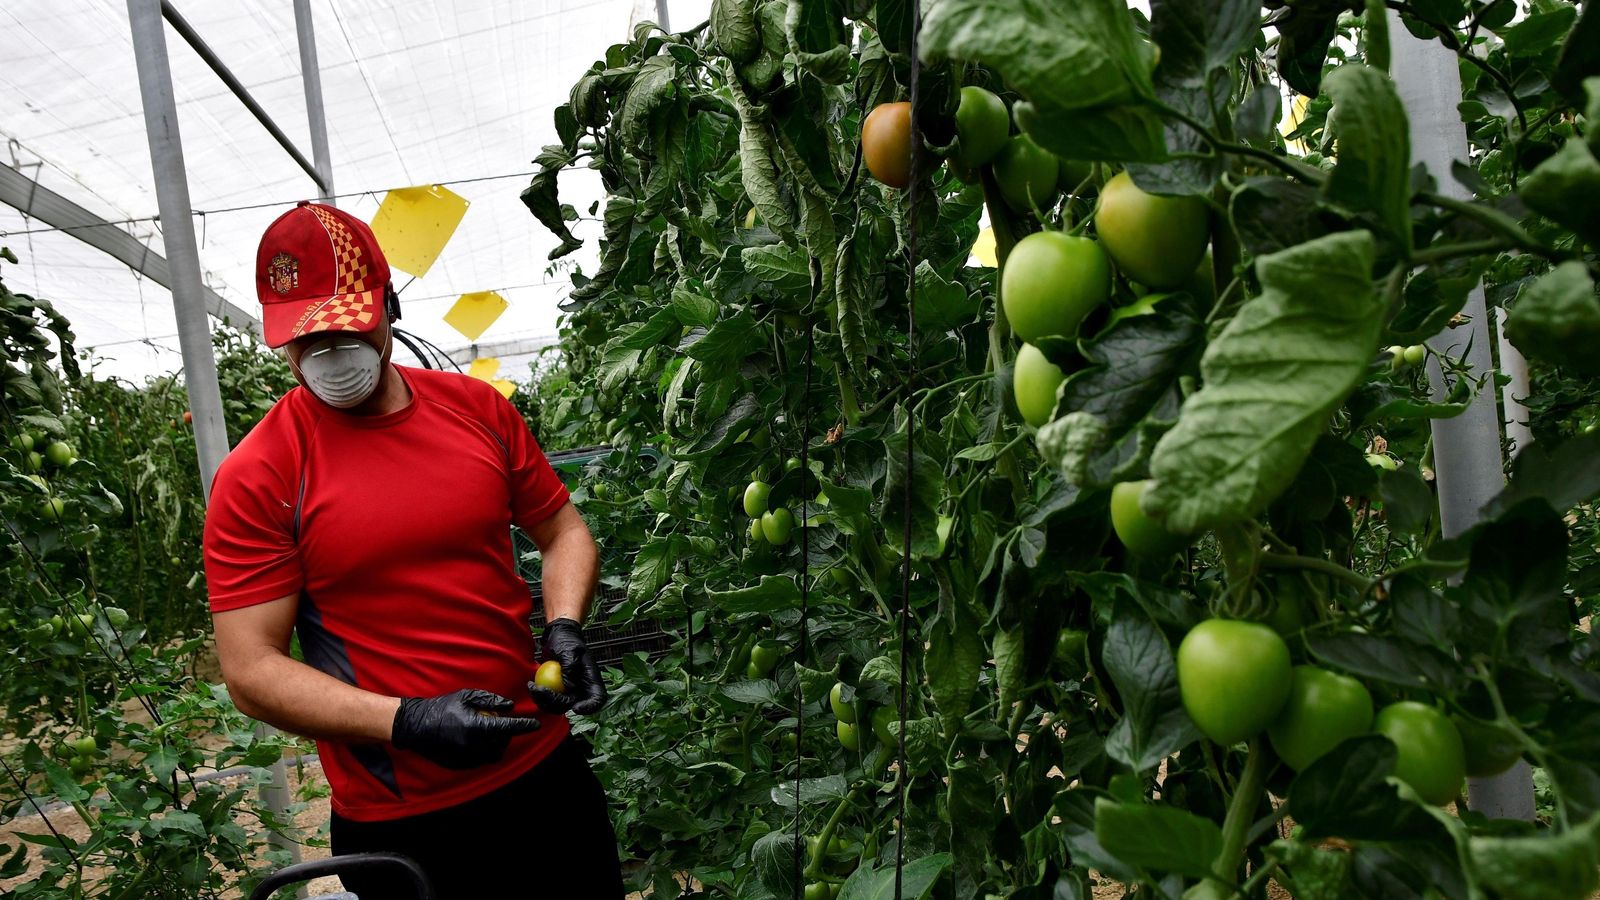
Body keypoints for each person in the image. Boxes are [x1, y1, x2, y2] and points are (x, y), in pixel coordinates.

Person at [202, 201, 624, 898]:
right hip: (406, 822)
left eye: (348, 326)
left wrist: (565, 625)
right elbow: (251, 670)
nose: (331, 353)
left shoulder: (477, 410)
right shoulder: (261, 474)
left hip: (544, 770)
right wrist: (408, 720)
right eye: (306, 339)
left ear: (389, 308)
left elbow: (562, 531)